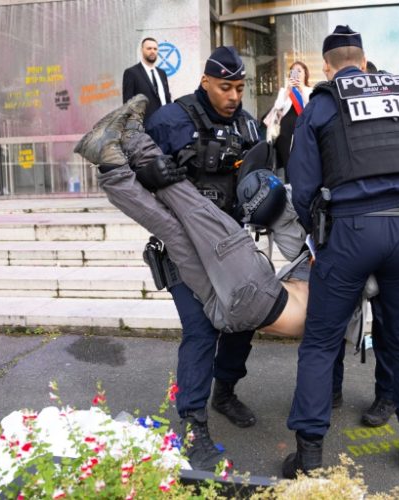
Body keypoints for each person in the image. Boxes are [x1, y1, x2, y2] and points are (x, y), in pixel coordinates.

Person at [284, 25, 399, 478]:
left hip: (349, 232)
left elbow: (303, 185)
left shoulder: (324, 102)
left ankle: (309, 455)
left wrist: (321, 234)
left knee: (320, 342)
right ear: (365, 63)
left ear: (328, 68)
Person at [121, 46, 266, 471]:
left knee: (243, 319)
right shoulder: (170, 120)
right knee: (202, 329)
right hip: (183, 247)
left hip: (232, 245)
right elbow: (126, 174)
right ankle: (194, 423)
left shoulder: (248, 125)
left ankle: (225, 391)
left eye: (240, 88)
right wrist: (148, 174)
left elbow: (264, 179)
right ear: (205, 82)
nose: (234, 96)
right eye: (226, 87)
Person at [264, 61, 313, 181]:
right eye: (293, 71)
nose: (296, 74)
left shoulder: (310, 90)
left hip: (302, 130)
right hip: (285, 132)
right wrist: (287, 91)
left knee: (303, 160)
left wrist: (301, 89)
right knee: (288, 162)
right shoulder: (284, 91)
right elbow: (278, 107)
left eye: (299, 71)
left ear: (305, 74)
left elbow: (310, 108)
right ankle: (290, 186)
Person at [122, 37, 172, 125]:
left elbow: (166, 98)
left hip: (165, 124)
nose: (152, 51)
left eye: (155, 49)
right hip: (144, 126)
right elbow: (128, 105)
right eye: (149, 48)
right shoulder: (131, 73)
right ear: (142, 50)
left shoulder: (162, 73)